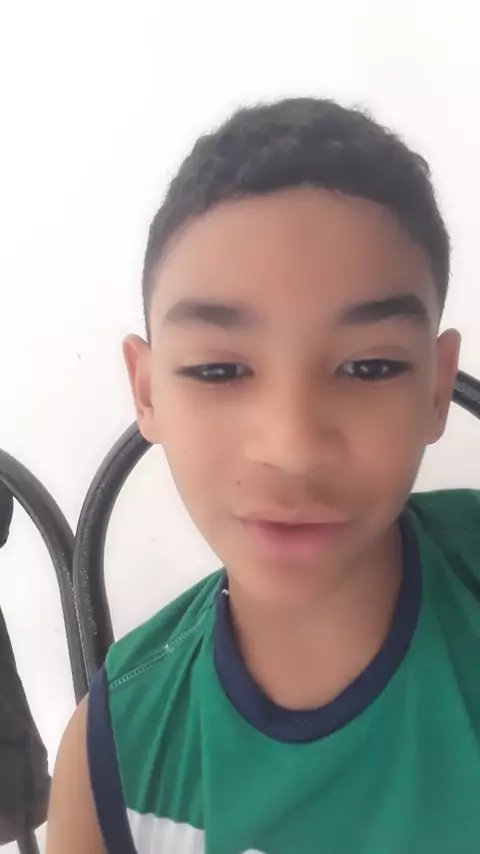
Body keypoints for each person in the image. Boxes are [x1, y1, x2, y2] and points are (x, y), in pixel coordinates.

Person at [46, 98, 480, 854]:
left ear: (437, 389)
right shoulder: (112, 754)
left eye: (370, 367)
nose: (294, 446)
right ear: (147, 392)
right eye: (219, 370)